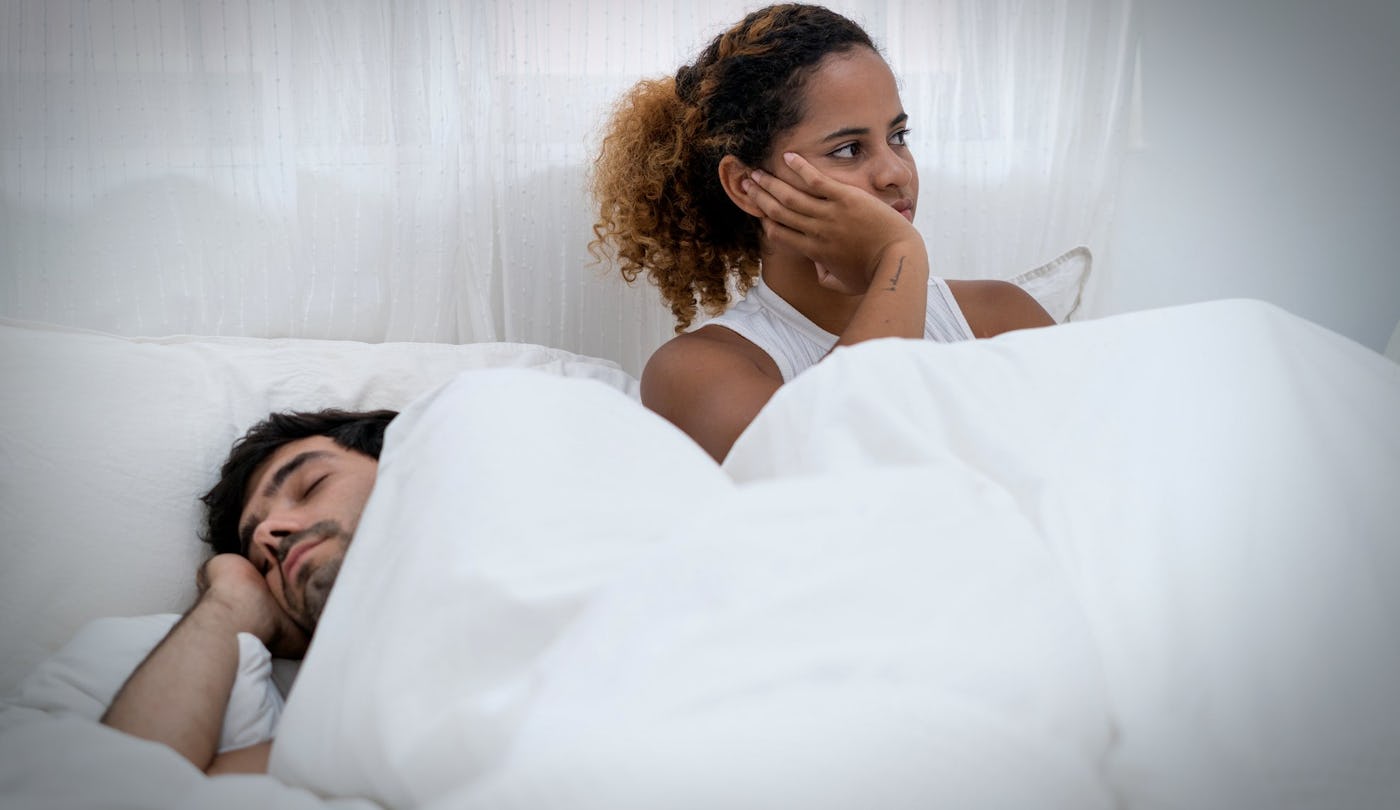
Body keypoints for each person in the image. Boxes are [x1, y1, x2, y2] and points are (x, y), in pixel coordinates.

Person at [590, 3, 1054, 462]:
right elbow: (839, 469)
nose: (896, 172)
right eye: (849, 149)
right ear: (744, 186)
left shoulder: (999, 315)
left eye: (898, 137)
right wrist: (899, 256)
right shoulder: (695, 371)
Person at [100, 409, 397, 775]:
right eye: (261, 563)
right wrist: (232, 598)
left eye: (311, 485)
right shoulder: (367, 739)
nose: (268, 533)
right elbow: (126, 785)